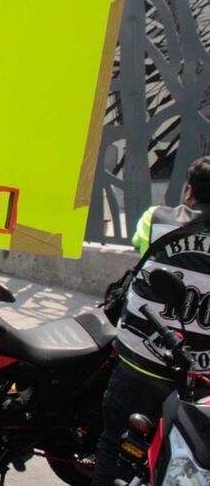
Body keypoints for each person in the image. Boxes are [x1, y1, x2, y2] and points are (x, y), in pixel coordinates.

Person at [92, 156, 210, 486]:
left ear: (189, 192)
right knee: (184, 459)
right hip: (196, 380)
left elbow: (138, 247)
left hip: (139, 362)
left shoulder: (155, 219)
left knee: (113, 447)